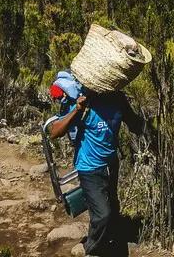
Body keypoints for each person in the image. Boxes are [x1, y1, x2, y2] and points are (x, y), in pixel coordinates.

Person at [47, 76, 144, 257]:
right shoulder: (84, 101)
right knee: (103, 215)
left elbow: (134, 124)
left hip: (111, 164)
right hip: (89, 167)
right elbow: (55, 132)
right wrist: (76, 109)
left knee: (112, 209)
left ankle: (111, 242)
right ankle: (92, 250)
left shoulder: (118, 100)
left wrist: (154, 128)